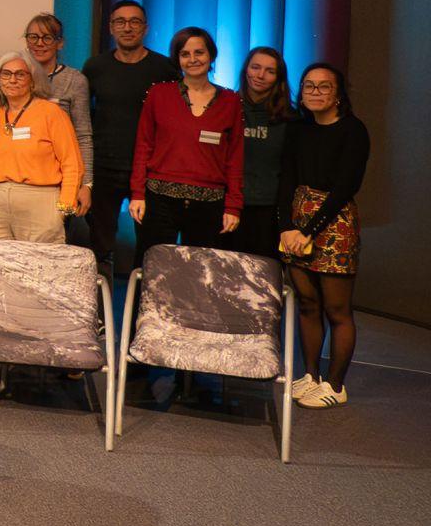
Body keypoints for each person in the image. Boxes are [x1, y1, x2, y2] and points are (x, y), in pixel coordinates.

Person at [279, 63, 369, 410]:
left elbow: (347, 186)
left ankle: (336, 383)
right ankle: (312, 375)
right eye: (309, 86)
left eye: (323, 87)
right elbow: (286, 177)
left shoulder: (354, 131)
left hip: (334, 224)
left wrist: (309, 230)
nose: (315, 92)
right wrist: (287, 226)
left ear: (338, 94)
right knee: (307, 303)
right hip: (297, 222)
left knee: (337, 308)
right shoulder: (298, 129)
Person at [81, 0, 180, 279]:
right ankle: (102, 316)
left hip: (149, 171)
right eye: (120, 22)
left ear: (145, 28)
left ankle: (142, 314)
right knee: (100, 247)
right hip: (104, 167)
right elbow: (85, 118)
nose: (128, 27)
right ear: (111, 28)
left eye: (134, 21)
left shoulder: (164, 69)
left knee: (151, 249)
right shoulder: (95, 67)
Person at [129, 26, 243, 257]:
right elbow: (143, 146)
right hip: (159, 199)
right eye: (185, 54)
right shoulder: (158, 95)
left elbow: (235, 158)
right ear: (177, 59)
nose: (193, 59)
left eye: (199, 52)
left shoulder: (231, 101)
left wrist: (233, 206)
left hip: (209, 204)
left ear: (211, 55)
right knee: (152, 270)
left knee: (202, 276)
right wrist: (137, 193)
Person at [0, 51, 81, 244]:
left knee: (39, 268)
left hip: (40, 201)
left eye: (20, 74)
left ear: (33, 80)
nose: (13, 80)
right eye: (6, 74)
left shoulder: (51, 112)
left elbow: (72, 163)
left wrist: (64, 210)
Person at [23, 13, 93, 224]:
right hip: (22, 180)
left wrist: (86, 184)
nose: (39, 44)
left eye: (47, 38)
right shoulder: (15, 75)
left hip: (60, 183)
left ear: (60, 43)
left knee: (55, 242)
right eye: (33, 37)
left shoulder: (74, 80)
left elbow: (83, 134)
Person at [230, 46, 293, 260]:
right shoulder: (226, 108)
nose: (260, 75)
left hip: (268, 212)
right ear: (245, 69)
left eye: (269, 71)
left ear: (278, 78)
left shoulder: (290, 119)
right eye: (255, 67)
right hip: (227, 207)